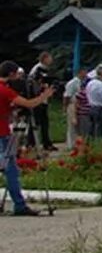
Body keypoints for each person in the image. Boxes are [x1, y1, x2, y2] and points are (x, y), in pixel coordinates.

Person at [0, 62, 53, 216]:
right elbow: (30, 103)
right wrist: (45, 95)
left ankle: (19, 204)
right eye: (17, 74)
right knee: (11, 169)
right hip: (2, 132)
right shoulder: (5, 91)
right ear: (10, 74)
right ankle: (19, 205)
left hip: (4, 129)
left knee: (10, 168)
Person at [24, 52, 55, 151]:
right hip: (37, 99)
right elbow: (36, 83)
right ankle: (31, 143)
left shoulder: (44, 69)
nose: (51, 60)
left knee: (44, 122)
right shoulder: (38, 69)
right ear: (45, 58)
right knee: (35, 122)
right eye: (50, 58)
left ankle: (46, 142)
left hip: (43, 99)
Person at [84, 65, 102, 143]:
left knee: (92, 128)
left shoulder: (90, 83)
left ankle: (90, 144)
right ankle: (101, 145)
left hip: (92, 107)